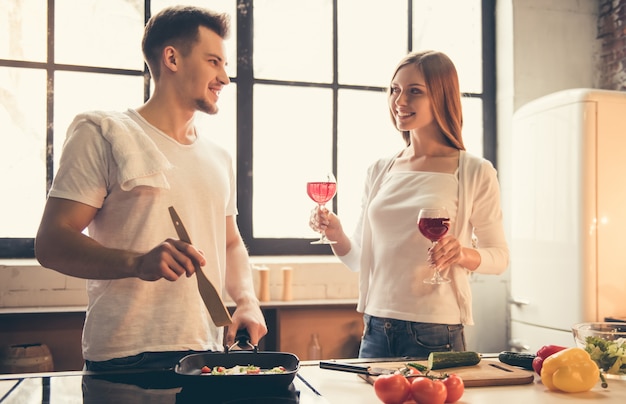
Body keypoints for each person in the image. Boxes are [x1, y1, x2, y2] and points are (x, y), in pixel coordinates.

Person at [35, 5, 267, 371]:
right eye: (213, 62)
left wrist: (247, 300)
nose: (224, 77)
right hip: (125, 358)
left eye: (224, 65)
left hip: (205, 356)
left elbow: (230, 242)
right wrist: (137, 262)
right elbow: (51, 242)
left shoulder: (218, 157)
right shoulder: (101, 133)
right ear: (171, 58)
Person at [309, 50, 509, 359]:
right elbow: (358, 259)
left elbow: (499, 257)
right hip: (375, 327)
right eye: (395, 90)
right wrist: (335, 232)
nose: (400, 101)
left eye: (415, 91)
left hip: (435, 331)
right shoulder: (379, 170)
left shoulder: (474, 171)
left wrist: (462, 253)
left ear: (441, 97)